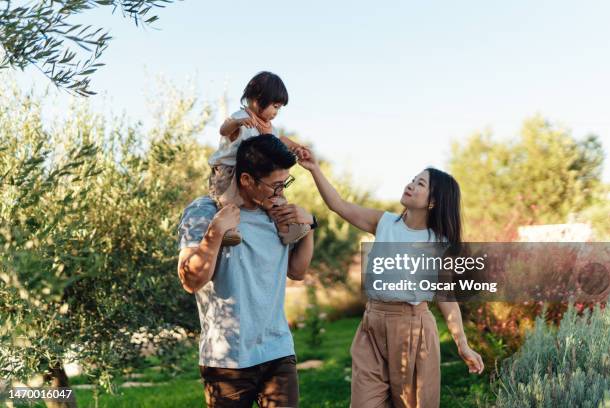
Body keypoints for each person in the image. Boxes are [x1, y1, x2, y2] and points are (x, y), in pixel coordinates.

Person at [297, 148, 484, 408]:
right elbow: (338, 205)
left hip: (413, 329)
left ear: (434, 201)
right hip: (372, 326)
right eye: (413, 179)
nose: (411, 184)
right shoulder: (384, 222)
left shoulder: (439, 243)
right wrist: (314, 168)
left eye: (420, 184)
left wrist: (462, 344)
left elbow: (446, 297)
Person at [177, 135, 317, 407]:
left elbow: (297, 272)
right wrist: (216, 232)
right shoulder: (204, 211)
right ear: (246, 180)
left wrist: (309, 228)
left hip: (277, 351)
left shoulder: (277, 215)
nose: (281, 193)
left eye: (284, 184)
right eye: (275, 186)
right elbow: (190, 280)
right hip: (227, 358)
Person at [208, 71, 311, 246]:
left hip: (256, 173)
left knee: (276, 197)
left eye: (279, 108)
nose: (276, 112)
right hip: (227, 169)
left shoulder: (270, 127)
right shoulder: (242, 117)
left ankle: (285, 229)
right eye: (275, 106)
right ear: (257, 99)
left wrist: (297, 147)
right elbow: (224, 129)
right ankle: (227, 231)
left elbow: (281, 140)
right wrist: (237, 123)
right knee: (227, 201)